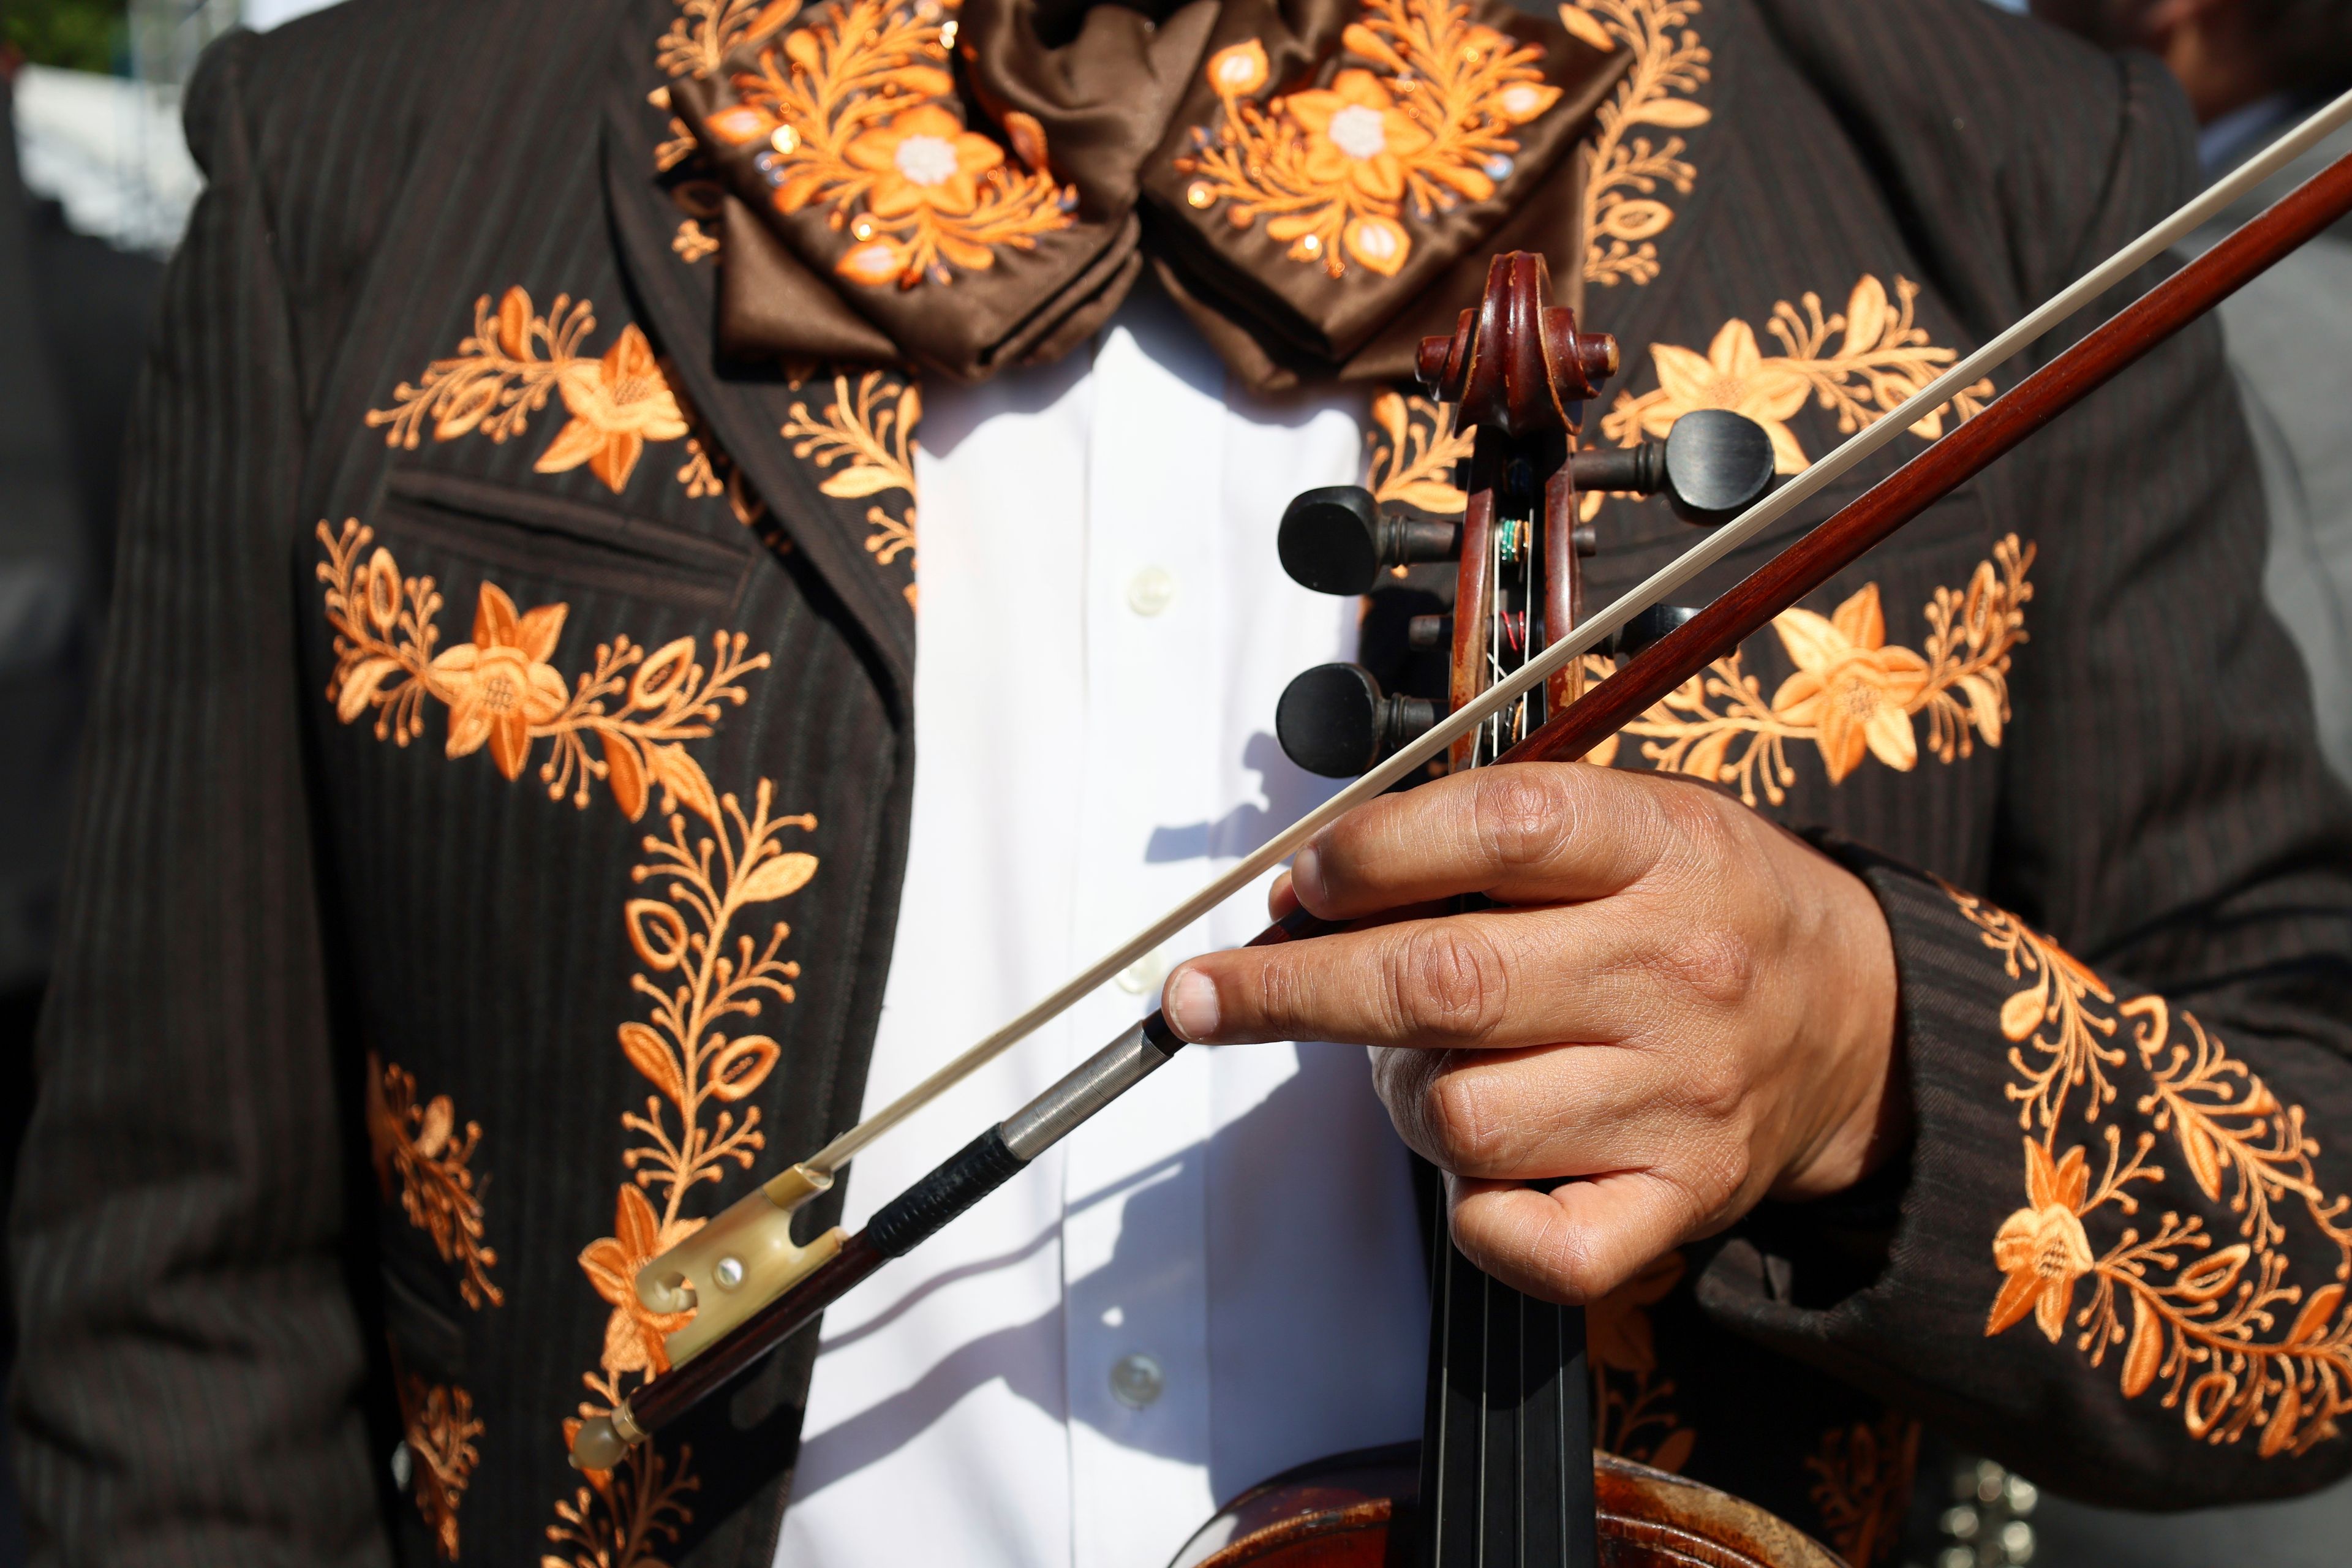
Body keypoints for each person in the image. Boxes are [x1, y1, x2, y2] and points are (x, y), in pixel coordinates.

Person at [8, 3, 2351, 1568]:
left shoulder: (2003, 167)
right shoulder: (378, 148)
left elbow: (2317, 1254)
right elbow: (168, 1288)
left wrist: (1871, 1058)